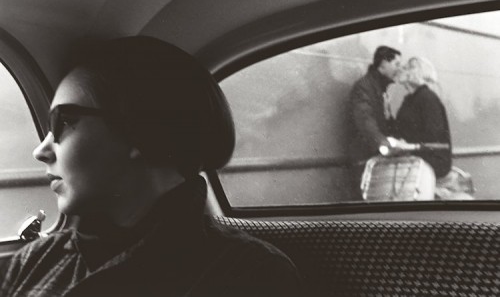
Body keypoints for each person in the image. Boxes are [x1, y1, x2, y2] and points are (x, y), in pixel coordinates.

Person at [0, 36, 301, 297]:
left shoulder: (248, 274)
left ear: (139, 130)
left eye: (64, 122)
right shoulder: (36, 259)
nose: (41, 151)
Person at [348, 45, 403, 199]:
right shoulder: (364, 88)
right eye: (397, 64)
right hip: (365, 161)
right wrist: (385, 145)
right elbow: (365, 121)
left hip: (375, 159)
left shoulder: (378, 88)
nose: (399, 69)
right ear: (383, 63)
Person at [395, 56, 452, 179]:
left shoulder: (428, 98)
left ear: (422, 73)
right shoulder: (410, 99)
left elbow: (434, 135)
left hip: (429, 164)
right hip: (414, 160)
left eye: (410, 67)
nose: (403, 69)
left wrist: (407, 144)